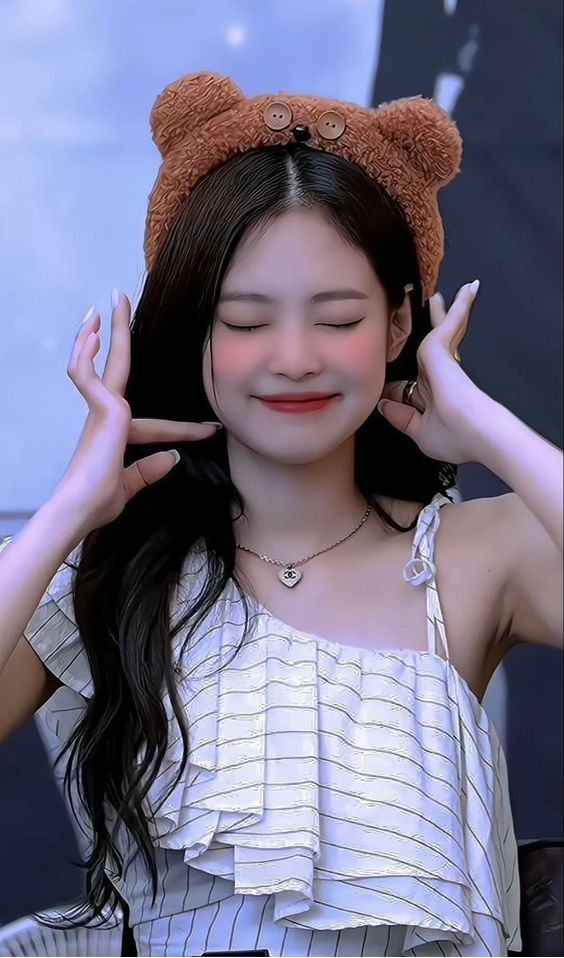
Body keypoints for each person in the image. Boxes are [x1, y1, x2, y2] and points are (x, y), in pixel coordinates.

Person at [4, 70, 557, 956]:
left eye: (336, 319)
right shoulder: (105, 567)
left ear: (397, 325)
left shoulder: (474, 553)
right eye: (246, 321)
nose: (294, 358)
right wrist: (71, 506)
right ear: (194, 332)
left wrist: (486, 427)